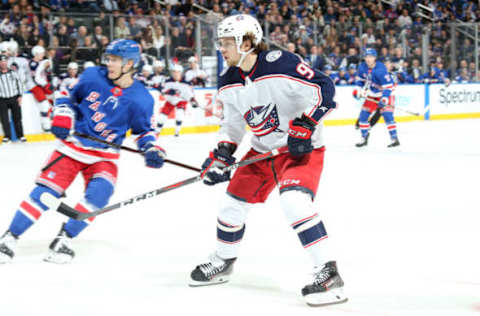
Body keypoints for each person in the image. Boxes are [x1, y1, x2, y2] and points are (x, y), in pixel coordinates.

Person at [188, 14, 347, 307]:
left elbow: (325, 89)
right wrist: (222, 155)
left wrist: (308, 124)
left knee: (294, 202)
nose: (221, 49)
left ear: (246, 42)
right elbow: (232, 125)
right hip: (261, 152)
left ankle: (329, 273)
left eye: (226, 43)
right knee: (230, 205)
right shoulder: (228, 80)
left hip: (300, 150)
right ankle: (223, 261)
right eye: (220, 43)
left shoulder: (281, 64)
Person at [0, 39, 166, 264]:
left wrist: (150, 147)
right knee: (44, 193)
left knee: (99, 196)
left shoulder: (141, 98)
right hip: (72, 147)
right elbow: (66, 97)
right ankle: (9, 238)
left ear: (129, 64)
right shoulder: (92, 76)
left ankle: (64, 239)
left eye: (115, 60)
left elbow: (144, 131)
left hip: (104, 156)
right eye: (108, 58)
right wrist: (62, 115)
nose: (109, 63)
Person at [353, 48, 399, 148]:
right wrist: (358, 90)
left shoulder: (381, 69)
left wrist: (384, 99)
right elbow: (360, 80)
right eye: (366, 57)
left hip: (385, 94)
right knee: (363, 116)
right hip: (372, 94)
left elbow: (388, 86)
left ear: (375, 58)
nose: (368, 59)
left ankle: (394, 138)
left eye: (371, 57)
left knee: (387, 115)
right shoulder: (362, 67)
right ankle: (364, 137)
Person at [156, 64, 198, 137]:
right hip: (170, 100)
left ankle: (177, 131)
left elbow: (190, 94)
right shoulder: (167, 81)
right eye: (174, 72)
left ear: (181, 73)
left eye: (177, 72)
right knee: (162, 117)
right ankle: (157, 131)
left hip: (181, 101)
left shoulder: (186, 83)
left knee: (180, 114)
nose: (175, 74)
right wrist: (170, 92)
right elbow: (162, 90)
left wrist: (193, 101)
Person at [0, 54, 24, 143]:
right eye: (1, 61)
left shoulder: (13, 72)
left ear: (7, 62)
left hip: (14, 97)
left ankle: (20, 135)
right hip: (2, 99)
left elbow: (20, 84)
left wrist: (20, 96)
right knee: (4, 119)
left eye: (5, 61)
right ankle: (7, 136)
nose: (3, 63)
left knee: (17, 118)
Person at [29, 45, 53, 132]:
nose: (43, 55)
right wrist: (46, 84)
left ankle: (53, 117)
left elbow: (48, 73)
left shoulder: (41, 62)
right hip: (35, 85)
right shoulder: (33, 63)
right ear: (36, 54)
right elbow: (35, 78)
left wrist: (48, 67)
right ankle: (45, 124)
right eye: (41, 53)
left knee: (54, 97)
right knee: (44, 105)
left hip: (42, 84)